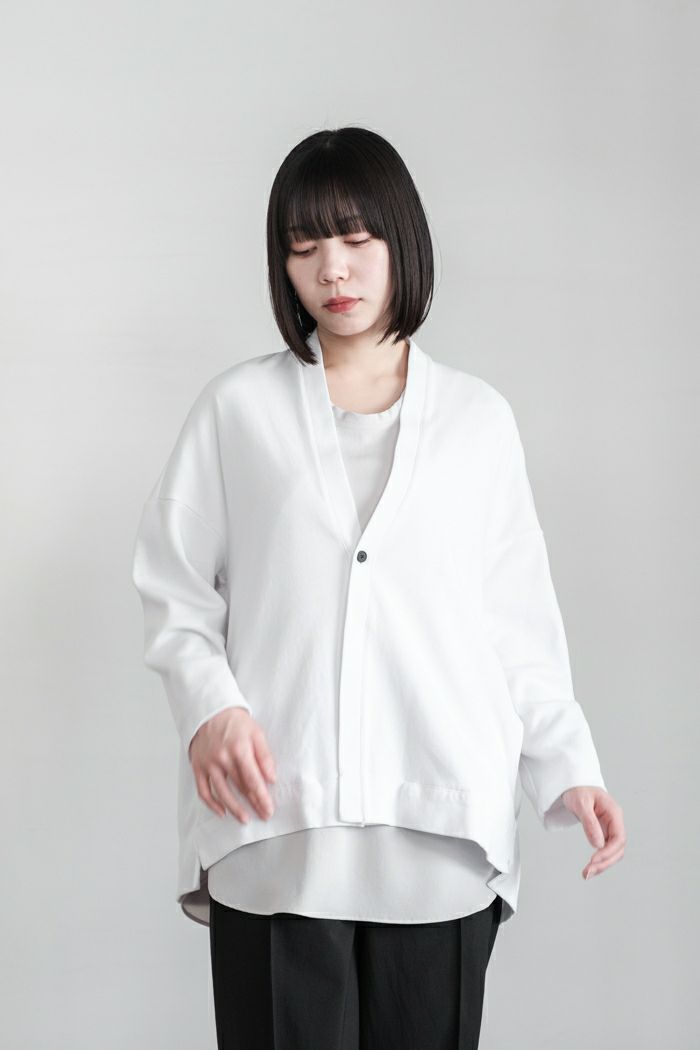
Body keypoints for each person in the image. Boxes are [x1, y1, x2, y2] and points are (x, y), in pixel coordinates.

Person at [131, 126, 626, 1049]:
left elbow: (516, 626)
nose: (333, 269)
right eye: (304, 246)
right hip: (276, 834)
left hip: (441, 834)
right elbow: (174, 587)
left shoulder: (478, 421)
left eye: (357, 239)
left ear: (403, 241)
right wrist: (210, 711)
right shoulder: (237, 411)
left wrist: (571, 770)